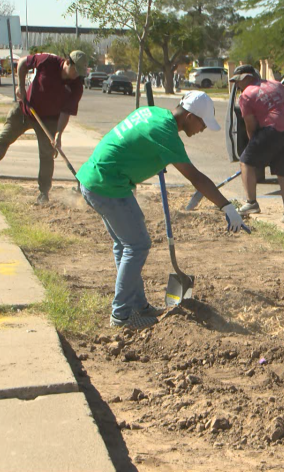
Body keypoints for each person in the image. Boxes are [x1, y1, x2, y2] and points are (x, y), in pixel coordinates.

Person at [76, 91, 249, 329]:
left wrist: (152, 156)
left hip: (100, 178)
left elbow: (135, 140)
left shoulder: (154, 113)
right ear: (189, 116)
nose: (203, 129)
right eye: (202, 123)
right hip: (107, 185)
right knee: (137, 245)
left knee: (125, 245)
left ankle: (137, 305)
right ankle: (122, 315)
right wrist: (226, 206)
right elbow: (196, 178)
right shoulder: (167, 135)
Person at [0, 51, 88, 205]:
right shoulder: (47, 61)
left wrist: (58, 135)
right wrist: (21, 87)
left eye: (80, 73)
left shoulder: (77, 86)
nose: (76, 75)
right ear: (67, 62)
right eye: (75, 71)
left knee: (47, 155)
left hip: (49, 120)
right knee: (4, 137)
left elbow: (66, 113)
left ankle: (44, 193)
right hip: (25, 110)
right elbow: (22, 63)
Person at [229, 64, 284, 227]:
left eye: (237, 81)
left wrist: (252, 145)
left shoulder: (246, 95)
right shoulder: (276, 85)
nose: (237, 85)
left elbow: (250, 124)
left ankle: (251, 202)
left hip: (272, 128)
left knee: (246, 161)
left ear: (245, 78)